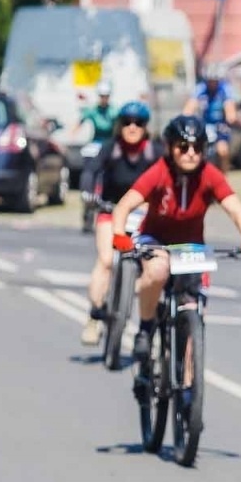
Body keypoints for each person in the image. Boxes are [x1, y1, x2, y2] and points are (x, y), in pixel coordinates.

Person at [108, 115, 241, 361]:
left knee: (195, 312)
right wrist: (119, 235)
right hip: (155, 238)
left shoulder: (210, 175)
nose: (191, 153)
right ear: (171, 148)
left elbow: (236, 209)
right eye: (183, 147)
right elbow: (124, 206)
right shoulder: (159, 172)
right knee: (157, 270)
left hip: (191, 248)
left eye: (198, 148)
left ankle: (190, 385)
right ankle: (145, 329)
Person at [78, 101, 160, 345]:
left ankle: (145, 320)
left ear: (146, 127)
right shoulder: (110, 148)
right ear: (119, 125)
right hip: (110, 211)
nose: (132, 128)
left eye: (138, 123)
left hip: (145, 215)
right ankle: (94, 316)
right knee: (105, 260)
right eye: (127, 122)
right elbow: (90, 171)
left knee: (153, 267)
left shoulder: (154, 152)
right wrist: (88, 192)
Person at [183, 68, 238, 170]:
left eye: (215, 81)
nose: (212, 84)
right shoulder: (200, 88)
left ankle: (223, 175)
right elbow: (190, 106)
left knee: (222, 150)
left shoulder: (225, 89)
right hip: (204, 124)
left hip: (220, 124)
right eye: (210, 81)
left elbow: (230, 107)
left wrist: (231, 116)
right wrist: (185, 118)